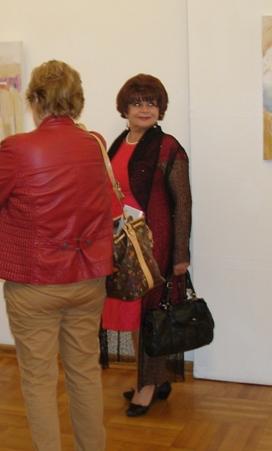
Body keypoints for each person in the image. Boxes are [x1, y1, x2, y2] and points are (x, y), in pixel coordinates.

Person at [0, 60, 113, 451]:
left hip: (34, 282)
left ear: (35, 99)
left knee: (39, 381)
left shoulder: (17, 148)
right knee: (85, 372)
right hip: (88, 278)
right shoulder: (95, 144)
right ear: (76, 100)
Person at [100, 74, 192, 417]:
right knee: (136, 315)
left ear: (161, 108)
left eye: (152, 103)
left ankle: (147, 386)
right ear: (125, 108)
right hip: (124, 244)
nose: (144, 109)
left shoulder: (168, 147)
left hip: (155, 243)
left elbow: (183, 203)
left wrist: (180, 255)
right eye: (137, 102)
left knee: (151, 314)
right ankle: (156, 378)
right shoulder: (118, 143)